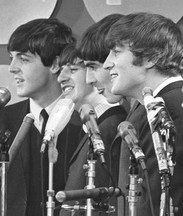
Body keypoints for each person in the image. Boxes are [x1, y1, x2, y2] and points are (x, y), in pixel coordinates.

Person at [103, 12, 183, 216]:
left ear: (151, 58)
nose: (106, 63)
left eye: (116, 52)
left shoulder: (163, 112)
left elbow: (155, 206)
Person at [0, 18, 83, 216]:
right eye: (11, 58)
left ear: (54, 64)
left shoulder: (83, 121)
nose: (12, 67)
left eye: (23, 59)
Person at [57, 43, 127, 216]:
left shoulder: (112, 126)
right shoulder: (93, 126)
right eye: (60, 70)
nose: (60, 78)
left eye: (73, 70)